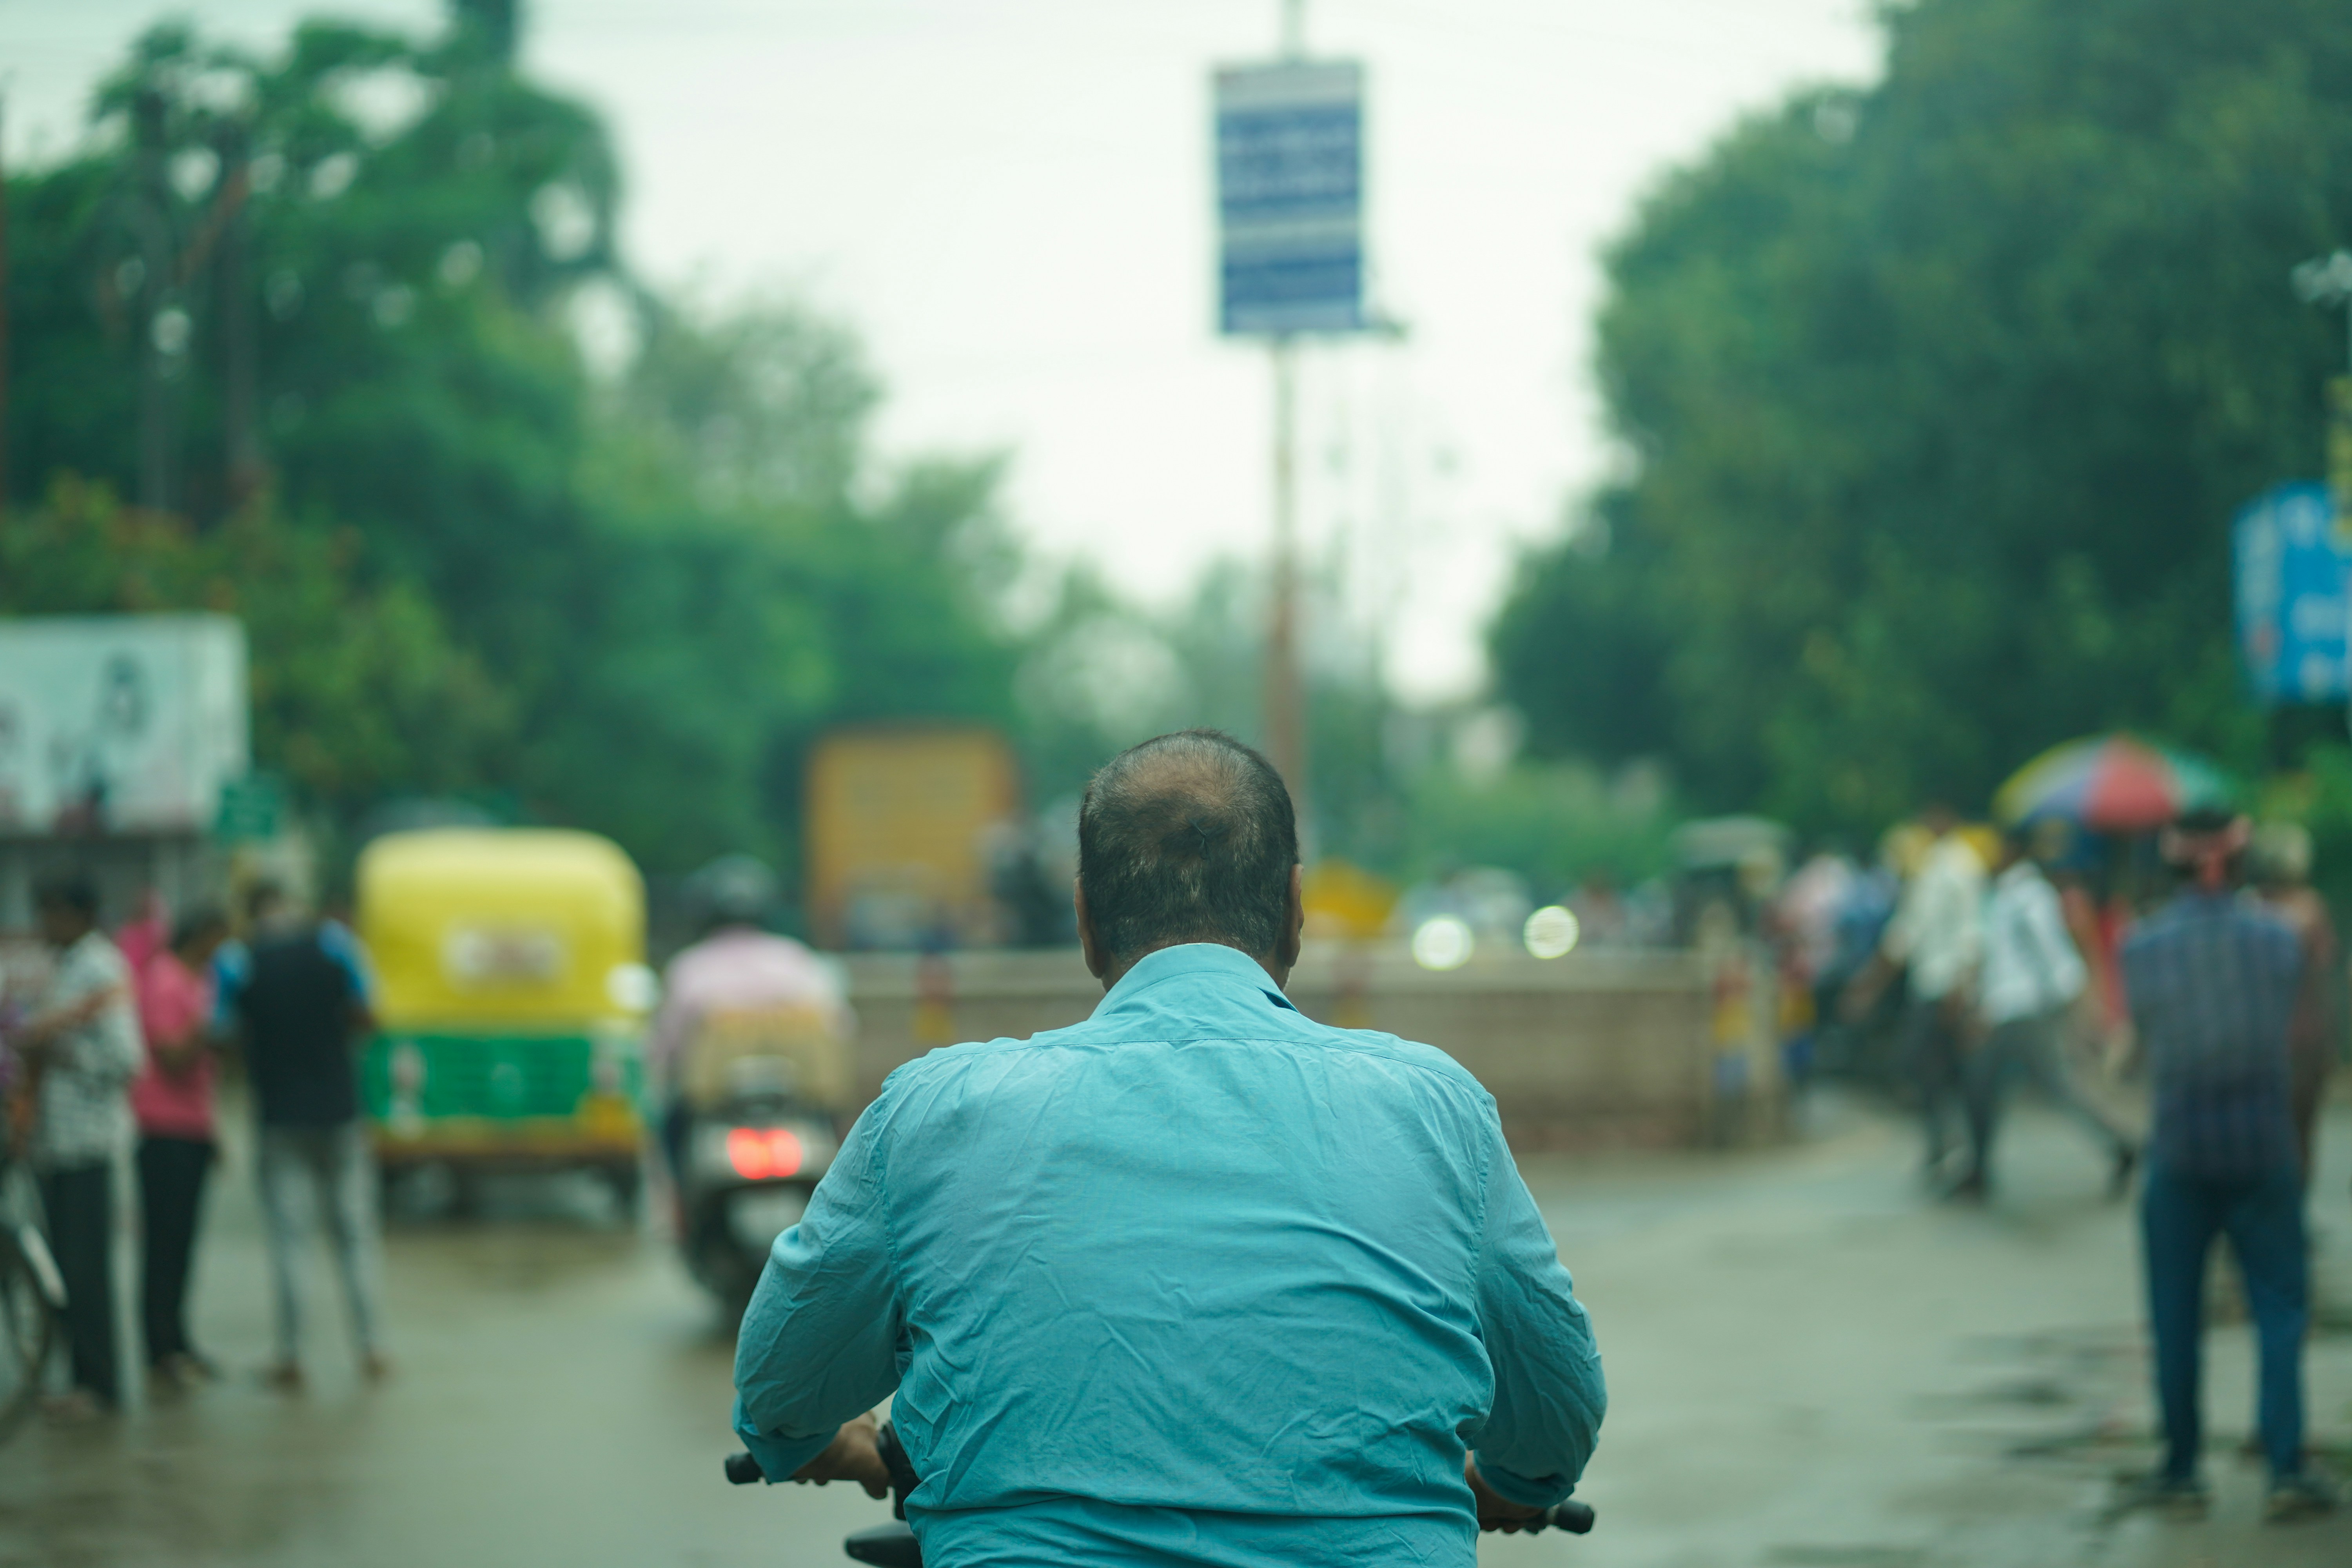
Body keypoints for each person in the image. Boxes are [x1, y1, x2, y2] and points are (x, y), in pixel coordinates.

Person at [733, 730, 1605, 1566]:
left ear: (1086, 921)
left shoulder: (931, 1112)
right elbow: (1558, 1405)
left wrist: (825, 1442)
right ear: (1297, 911)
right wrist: (1514, 1484)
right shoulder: (1436, 1108)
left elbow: (780, 1385)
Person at [2113, 811, 2336, 1523]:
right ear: (2237, 863)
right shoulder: (2280, 938)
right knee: (2278, 1308)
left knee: (2175, 1314)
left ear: (2176, 865)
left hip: (2180, 1150)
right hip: (2262, 1146)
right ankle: (2285, 1468)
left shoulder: (2142, 947)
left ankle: (2180, 1470)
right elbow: (2295, 1032)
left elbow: (2143, 1042)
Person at [216, 880, 388, 1389]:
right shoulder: (336, 946)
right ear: (292, 906)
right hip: (340, 1112)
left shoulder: (237, 961)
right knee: (355, 1235)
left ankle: (293, 1356)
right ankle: (372, 1348)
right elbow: (369, 1016)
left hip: (278, 1117)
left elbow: (221, 1035)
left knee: (291, 1241)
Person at [11, 869, 143, 1419]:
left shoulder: (100, 968)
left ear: (82, 915)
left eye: (55, 912)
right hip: (54, 1144)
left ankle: (101, 1383)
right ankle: (76, 1376)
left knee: (86, 1269)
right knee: (63, 1267)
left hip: (87, 1142)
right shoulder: (64, 967)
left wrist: (57, 1048)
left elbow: (126, 1060)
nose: (45, 923)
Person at [649, 855, 851, 1196]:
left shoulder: (691, 967)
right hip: (798, 1099)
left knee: (671, 1127)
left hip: (714, 1102)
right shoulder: (797, 960)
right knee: (834, 1129)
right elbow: (840, 1026)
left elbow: (666, 1044)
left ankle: (676, 1205)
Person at [1956, 826, 2135, 1201]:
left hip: (2025, 1009)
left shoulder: (2028, 896)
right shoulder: (2006, 894)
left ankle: (2119, 1144)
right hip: (2009, 1009)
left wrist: (2078, 1005)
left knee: (2047, 1086)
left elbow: (2051, 951)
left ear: (2013, 851)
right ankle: (1978, 1168)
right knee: (1985, 1085)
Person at [128, 903, 232, 1387]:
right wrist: (211, 1027)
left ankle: (178, 1340)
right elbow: (170, 1053)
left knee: (184, 1241)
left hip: (191, 1125)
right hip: (161, 1126)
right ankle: (159, 1346)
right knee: (165, 1243)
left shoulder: (199, 977)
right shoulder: (165, 979)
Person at [1871, 802, 1986, 1187]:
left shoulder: (1961, 866)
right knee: (1924, 1065)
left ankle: (1957, 1146)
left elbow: (1971, 929)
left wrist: (1962, 984)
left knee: (1940, 1065)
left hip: (1947, 985)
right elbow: (1909, 930)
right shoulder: (1930, 865)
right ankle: (1946, 1143)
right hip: (1929, 981)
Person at [2247, 821, 2339, 1193]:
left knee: (2260, 1131)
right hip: (2302, 1036)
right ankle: (2291, 1212)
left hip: (2258, 1038)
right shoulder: (2309, 909)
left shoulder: (2247, 908)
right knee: (2300, 1129)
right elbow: (2322, 973)